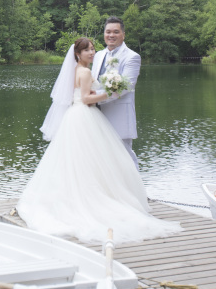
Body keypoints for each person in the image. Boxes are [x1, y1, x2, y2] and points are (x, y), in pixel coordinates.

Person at [16, 38, 181, 243]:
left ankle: (75, 195)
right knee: (92, 159)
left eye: (93, 49)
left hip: (74, 116)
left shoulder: (77, 69)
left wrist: (96, 93)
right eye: (87, 51)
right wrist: (109, 94)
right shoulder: (85, 72)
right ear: (78, 54)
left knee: (76, 160)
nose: (92, 53)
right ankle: (91, 197)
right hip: (84, 114)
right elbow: (85, 98)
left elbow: (80, 94)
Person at [92, 17, 141, 168]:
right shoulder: (98, 55)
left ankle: (135, 190)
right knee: (102, 159)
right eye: (108, 32)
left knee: (125, 157)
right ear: (104, 34)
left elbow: (125, 87)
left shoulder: (132, 57)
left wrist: (95, 99)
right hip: (95, 116)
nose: (111, 35)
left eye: (116, 32)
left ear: (123, 34)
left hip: (118, 115)